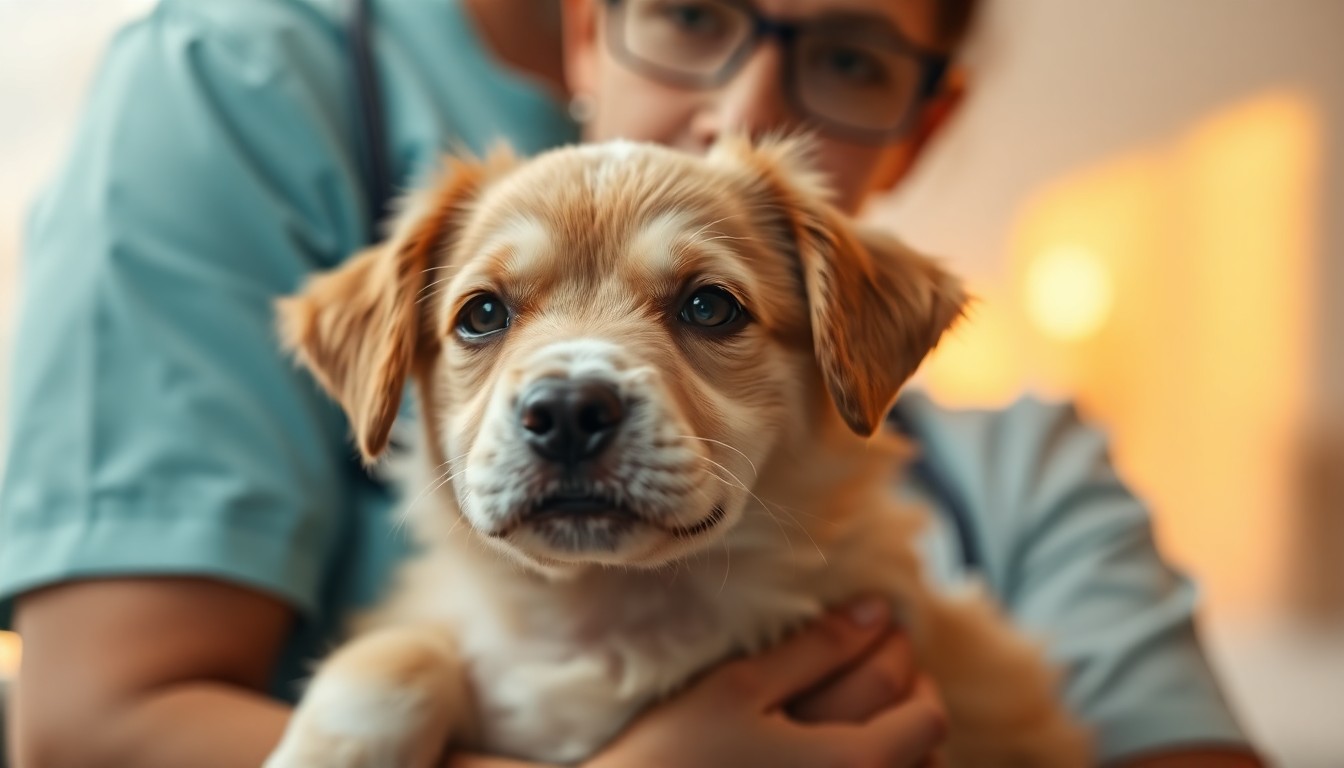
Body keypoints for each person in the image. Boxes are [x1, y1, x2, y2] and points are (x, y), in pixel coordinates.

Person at [0, 0, 1263, 766]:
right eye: (486, 316)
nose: (569, 393)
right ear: (586, 29)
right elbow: (77, 728)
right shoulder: (225, 75)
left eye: (707, 307)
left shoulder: (1022, 501)